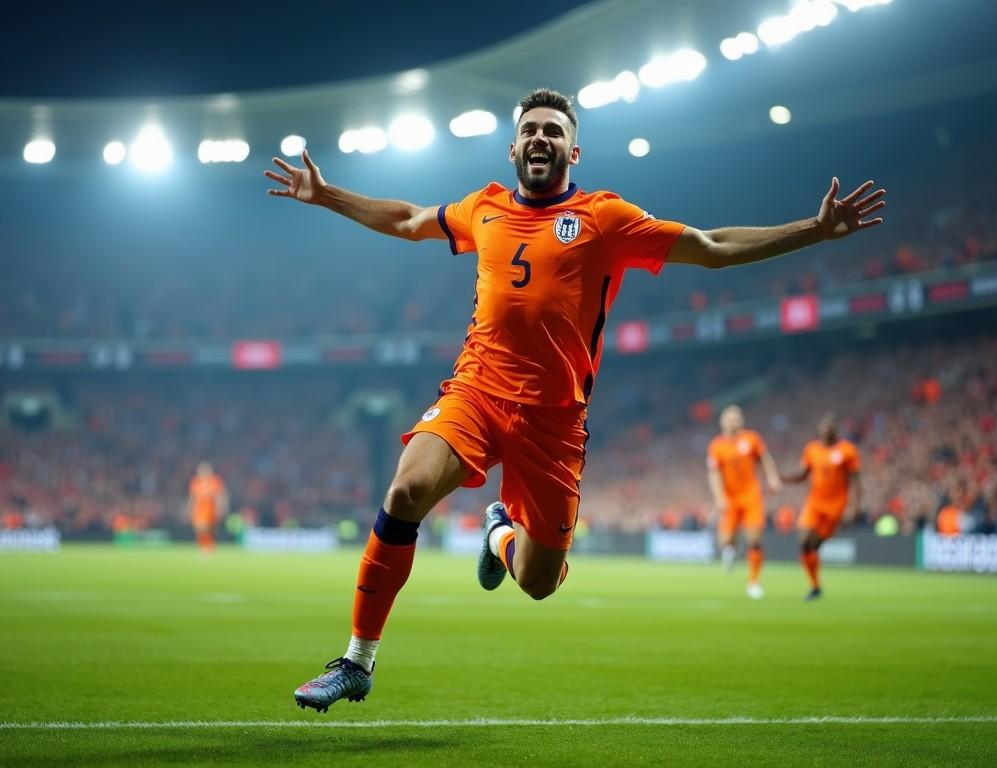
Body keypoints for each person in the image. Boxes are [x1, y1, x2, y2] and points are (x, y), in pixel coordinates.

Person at [264, 88, 885, 711]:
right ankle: (357, 661)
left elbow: (712, 247)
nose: (540, 138)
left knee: (538, 582)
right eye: (530, 129)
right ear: (512, 148)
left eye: (552, 131)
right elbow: (406, 220)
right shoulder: (483, 208)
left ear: (573, 149)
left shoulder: (604, 218)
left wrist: (816, 230)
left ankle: (501, 533)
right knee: (404, 492)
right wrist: (326, 194)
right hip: (476, 392)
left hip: (554, 426)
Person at [783, 414, 862, 600]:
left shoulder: (847, 451)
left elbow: (856, 480)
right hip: (814, 504)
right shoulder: (811, 450)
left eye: (829, 430)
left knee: (814, 545)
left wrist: (854, 506)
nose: (826, 433)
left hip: (835, 506)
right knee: (803, 542)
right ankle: (814, 585)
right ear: (819, 432)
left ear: (835, 431)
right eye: (822, 430)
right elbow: (803, 475)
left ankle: (815, 584)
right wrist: (784, 478)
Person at [706, 405, 781, 599]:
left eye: (736, 418)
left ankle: (753, 582)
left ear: (741, 421)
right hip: (730, 499)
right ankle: (730, 550)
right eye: (729, 419)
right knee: (725, 540)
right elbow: (714, 474)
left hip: (751, 496)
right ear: (722, 422)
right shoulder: (716, 446)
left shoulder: (751, 439)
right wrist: (719, 497)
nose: (733, 422)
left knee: (754, 539)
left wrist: (772, 477)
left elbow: (764, 458)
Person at [187, 461, 228, 557]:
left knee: (209, 528)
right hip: (199, 509)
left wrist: (221, 506)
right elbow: (193, 497)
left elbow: (220, 495)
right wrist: (189, 508)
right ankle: (204, 546)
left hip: (210, 508)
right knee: (200, 528)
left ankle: (209, 547)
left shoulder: (215, 481)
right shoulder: (196, 482)